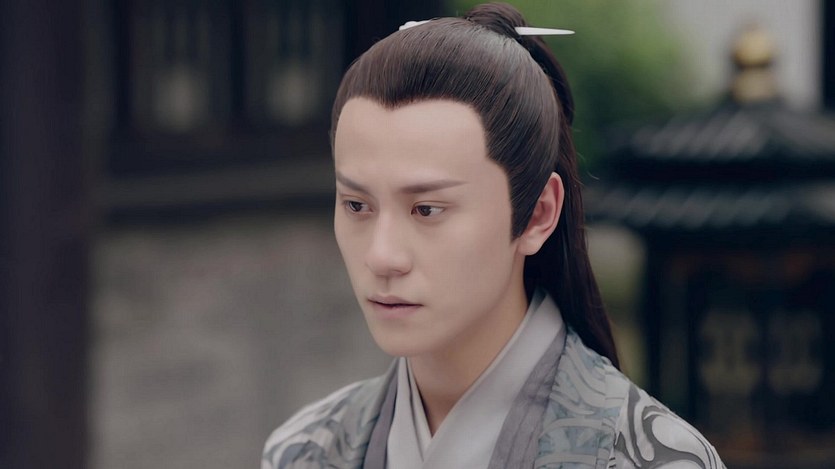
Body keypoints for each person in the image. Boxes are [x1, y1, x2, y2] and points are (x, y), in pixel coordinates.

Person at [263, 3, 725, 468]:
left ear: (538, 214)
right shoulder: (303, 451)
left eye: (427, 209)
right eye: (356, 205)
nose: (381, 256)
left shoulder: (659, 460)